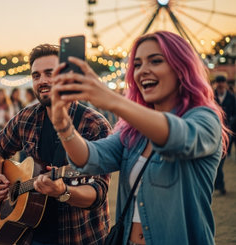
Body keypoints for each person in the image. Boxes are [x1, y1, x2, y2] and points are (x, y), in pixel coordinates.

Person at [50, 31, 229, 245]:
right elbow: (90, 159)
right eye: (137, 64)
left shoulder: (204, 119)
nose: (143, 71)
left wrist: (113, 100)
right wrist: (63, 127)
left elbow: (177, 138)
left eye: (155, 61)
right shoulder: (134, 131)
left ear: (181, 68)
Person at [0, 44, 112, 244]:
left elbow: (97, 194)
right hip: (29, 234)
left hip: (79, 236)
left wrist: (63, 192)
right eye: (36, 76)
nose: (42, 81)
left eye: (49, 73)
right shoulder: (26, 117)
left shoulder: (93, 125)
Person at [213, 75, 235, 195]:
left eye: (222, 82)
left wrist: (231, 122)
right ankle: (219, 185)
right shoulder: (211, 96)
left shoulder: (231, 97)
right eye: (218, 82)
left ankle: (219, 185)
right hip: (214, 131)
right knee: (217, 161)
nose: (220, 84)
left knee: (220, 161)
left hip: (227, 132)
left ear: (225, 84)